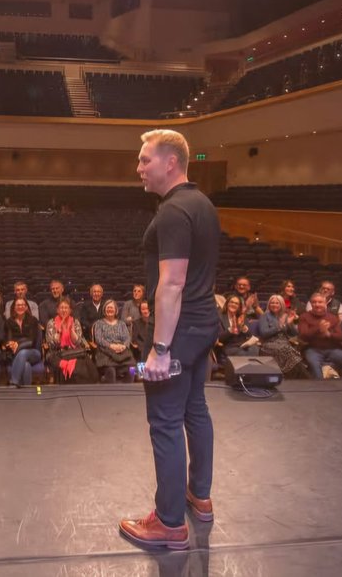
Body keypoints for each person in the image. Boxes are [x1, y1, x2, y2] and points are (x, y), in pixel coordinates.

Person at [120, 128, 220, 549]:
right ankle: (199, 497)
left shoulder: (174, 211)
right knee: (194, 408)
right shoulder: (203, 203)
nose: (139, 168)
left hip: (177, 333)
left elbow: (172, 284)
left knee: (164, 421)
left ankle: (169, 523)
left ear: (170, 162)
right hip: (201, 325)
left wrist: (160, 350)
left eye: (145, 160)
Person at [298, 292, 342, 379]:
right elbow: (303, 335)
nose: (317, 304)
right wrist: (318, 328)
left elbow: (341, 337)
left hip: (332, 349)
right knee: (314, 365)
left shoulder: (332, 317)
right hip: (313, 349)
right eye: (314, 302)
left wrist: (328, 334)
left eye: (320, 302)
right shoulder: (304, 317)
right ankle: (319, 390)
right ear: (311, 304)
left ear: (325, 303)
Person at [45, 298, 97, 383]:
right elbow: (52, 345)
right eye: (61, 308)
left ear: (70, 310)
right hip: (57, 353)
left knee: (86, 362)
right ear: (57, 310)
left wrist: (72, 332)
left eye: (66, 308)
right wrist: (58, 332)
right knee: (74, 365)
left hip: (74, 352)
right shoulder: (52, 323)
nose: (64, 310)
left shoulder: (75, 322)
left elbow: (79, 342)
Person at [256, 295, 307, 378]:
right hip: (269, 344)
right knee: (288, 350)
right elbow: (264, 333)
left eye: (277, 303)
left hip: (284, 343)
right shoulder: (264, 316)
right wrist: (282, 326)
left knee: (289, 350)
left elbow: (294, 333)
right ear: (269, 304)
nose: (274, 305)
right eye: (272, 303)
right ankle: (305, 377)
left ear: (281, 305)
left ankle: (296, 378)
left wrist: (290, 323)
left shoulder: (285, 316)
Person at [93, 300, 136, 383]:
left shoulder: (122, 323)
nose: (110, 310)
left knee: (132, 369)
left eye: (112, 308)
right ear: (104, 310)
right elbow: (99, 339)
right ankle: (112, 392)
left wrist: (124, 346)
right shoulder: (99, 323)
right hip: (106, 352)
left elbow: (127, 337)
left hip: (122, 351)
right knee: (110, 370)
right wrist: (111, 346)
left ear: (116, 310)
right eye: (108, 308)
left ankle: (129, 390)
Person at [4, 298, 43, 387]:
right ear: (14, 308)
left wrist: (18, 344)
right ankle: (27, 391)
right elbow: (9, 340)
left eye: (22, 305)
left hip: (34, 352)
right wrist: (11, 344)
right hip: (15, 353)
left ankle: (13, 382)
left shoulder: (33, 320)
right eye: (18, 305)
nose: (20, 307)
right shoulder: (9, 322)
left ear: (26, 307)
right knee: (26, 365)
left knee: (23, 352)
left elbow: (32, 341)